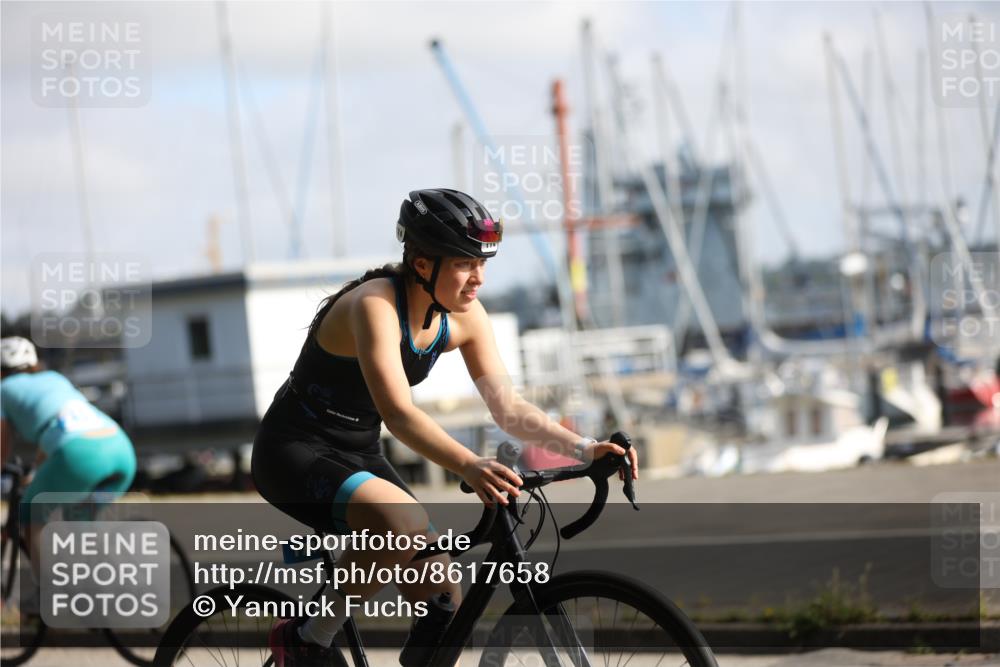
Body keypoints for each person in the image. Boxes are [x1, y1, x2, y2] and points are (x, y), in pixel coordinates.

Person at [252, 188, 639, 667]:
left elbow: (508, 408)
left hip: (359, 453)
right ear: (421, 263)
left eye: (482, 263)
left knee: (444, 598)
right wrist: (471, 464)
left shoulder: (465, 316)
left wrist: (585, 449)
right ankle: (307, 639)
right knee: (402, 523)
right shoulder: (373, 305)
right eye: (463, 263)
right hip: (293, 450)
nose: (477, 278)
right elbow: (399, 413)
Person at [0, 336, 137, 569]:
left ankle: (51, 595)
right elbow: (57, 432)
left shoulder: (3, 389)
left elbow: (2, 444)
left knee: (31, 516)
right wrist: (36, 473)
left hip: (78, 455)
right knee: (79, 519)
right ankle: (107, 582)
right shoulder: (54, 379)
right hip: (121, 450)